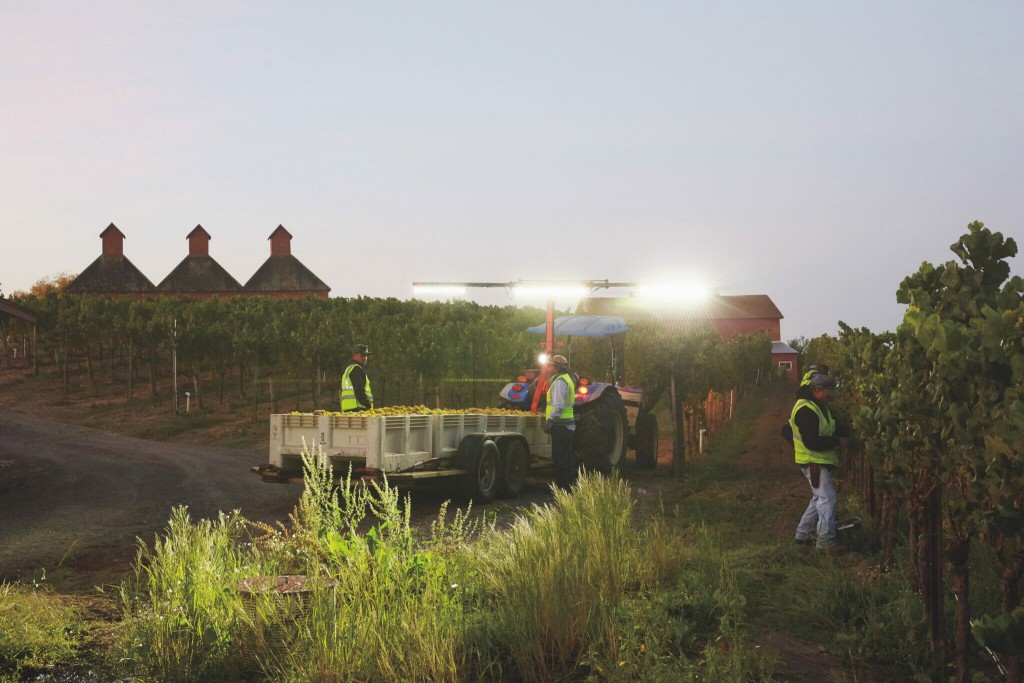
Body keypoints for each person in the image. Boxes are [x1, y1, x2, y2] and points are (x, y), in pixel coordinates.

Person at [790, 372, 848, 554]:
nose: (830, 398)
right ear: (818, 390)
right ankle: (825, 543)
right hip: (813, 461)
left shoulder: (819, 406)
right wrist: (837, 442)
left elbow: (832, 426)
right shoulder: (806, 410)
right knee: (827, 498)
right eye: (828, 394)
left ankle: (802, 534)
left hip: (818, 460)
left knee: (819, 498)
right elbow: (812, 442)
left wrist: (850, 434)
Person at [543, 354, 576, 490]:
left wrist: (550, 420)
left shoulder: (559, 382)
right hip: (567, 425)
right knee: (567, 456)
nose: (548, 368)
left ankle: (562, 487)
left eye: (550, 366)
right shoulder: (567, 379)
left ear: (556, 368)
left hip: (560, 425)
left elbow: (558, 405)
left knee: (559, 457)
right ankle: (569, 484)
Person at [340, 344, 373, 412]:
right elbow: (359, 391)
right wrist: (368, 406)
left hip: (348, 409)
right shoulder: (356, 369)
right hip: (358, 409)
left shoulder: (348, 369)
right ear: (355, 355)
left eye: (366, 356)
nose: (365, 358)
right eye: (362, 355)